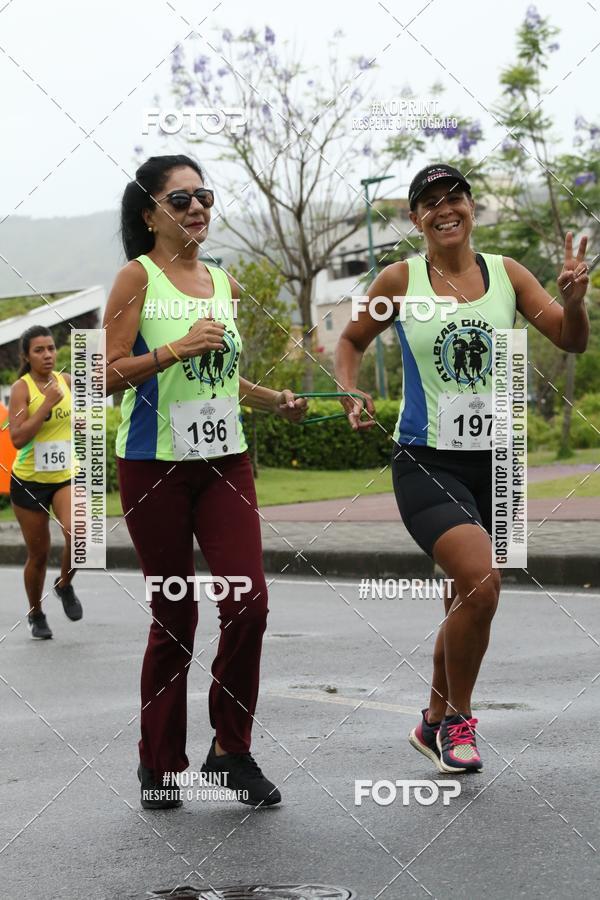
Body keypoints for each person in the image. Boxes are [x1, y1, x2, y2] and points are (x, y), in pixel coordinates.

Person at [335, 163, 590, 773]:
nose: (444, 209)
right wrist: (349, 388)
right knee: (480, 583)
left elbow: (571, 339)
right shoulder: (399, 279)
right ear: (415, 218)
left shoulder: (507, 274)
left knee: (466, 598)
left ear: (472, 208)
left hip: (500, 463)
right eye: (430, 202)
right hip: (426, 460)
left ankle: (431, 719)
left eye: (455, 198)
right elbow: (350, 341)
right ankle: (458, 722)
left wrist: (575, 302)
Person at [104, 154, 307, 809]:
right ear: (150, 214)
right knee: (175, 614)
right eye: (180, 198)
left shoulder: (223, 281)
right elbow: (103, 374)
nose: (197, 207)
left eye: (205, 196)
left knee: (249, 603)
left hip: (226, 464)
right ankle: (159, 763)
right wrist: (172, 349)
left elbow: (219, 374)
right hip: (154, 468)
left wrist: (273, 400)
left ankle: (229, 752)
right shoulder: (136, 278)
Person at [7, 325, 83, 639]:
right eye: (39, 350)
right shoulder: (21, 389)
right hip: (30, 481)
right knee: (39, 554)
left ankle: (64, 585)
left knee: (81, 536)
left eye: (51, 348)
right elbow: (17, 438)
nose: (48, 355)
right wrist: (47, 404)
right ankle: (36, 613)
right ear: (26, 356)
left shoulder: (67, 381)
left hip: (65, 475)